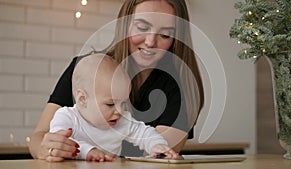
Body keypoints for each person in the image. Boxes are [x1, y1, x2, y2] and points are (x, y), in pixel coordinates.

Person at [29, 0, 204, 160]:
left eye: (165, 35)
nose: (151, 42)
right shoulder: (85, 70)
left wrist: (159, 149)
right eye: (142, 28)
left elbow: (155, 155)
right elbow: (39, 137)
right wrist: (48, 148)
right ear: (125, 24)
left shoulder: (181, 89)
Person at [48, 54, 178, 162]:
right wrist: (88, 151)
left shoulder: (121, 121)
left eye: (123, 103)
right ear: (83, 99)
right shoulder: (66, 117)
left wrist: (157, 145)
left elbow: (145, 133)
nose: (120, 111)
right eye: (110, 104)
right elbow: (61, 142)